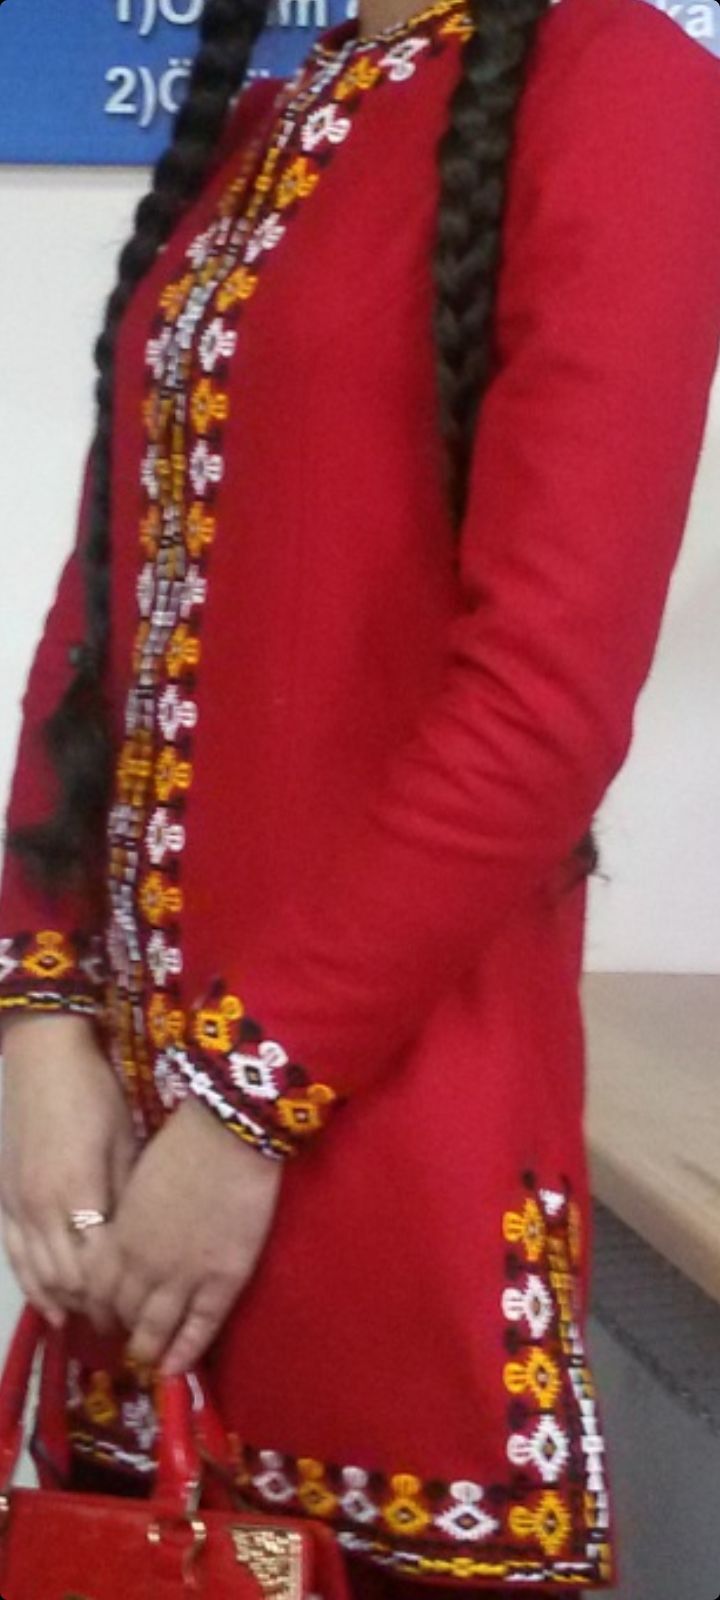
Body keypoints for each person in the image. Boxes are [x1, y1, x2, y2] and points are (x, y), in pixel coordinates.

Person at [0, 0, 718, 1591]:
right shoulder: (273, 123)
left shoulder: (623, 91)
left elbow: (543, 706)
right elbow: (99, 614)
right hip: (127, 1185)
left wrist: (239, 1113)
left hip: (376, 1163)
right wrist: (40, 1022)